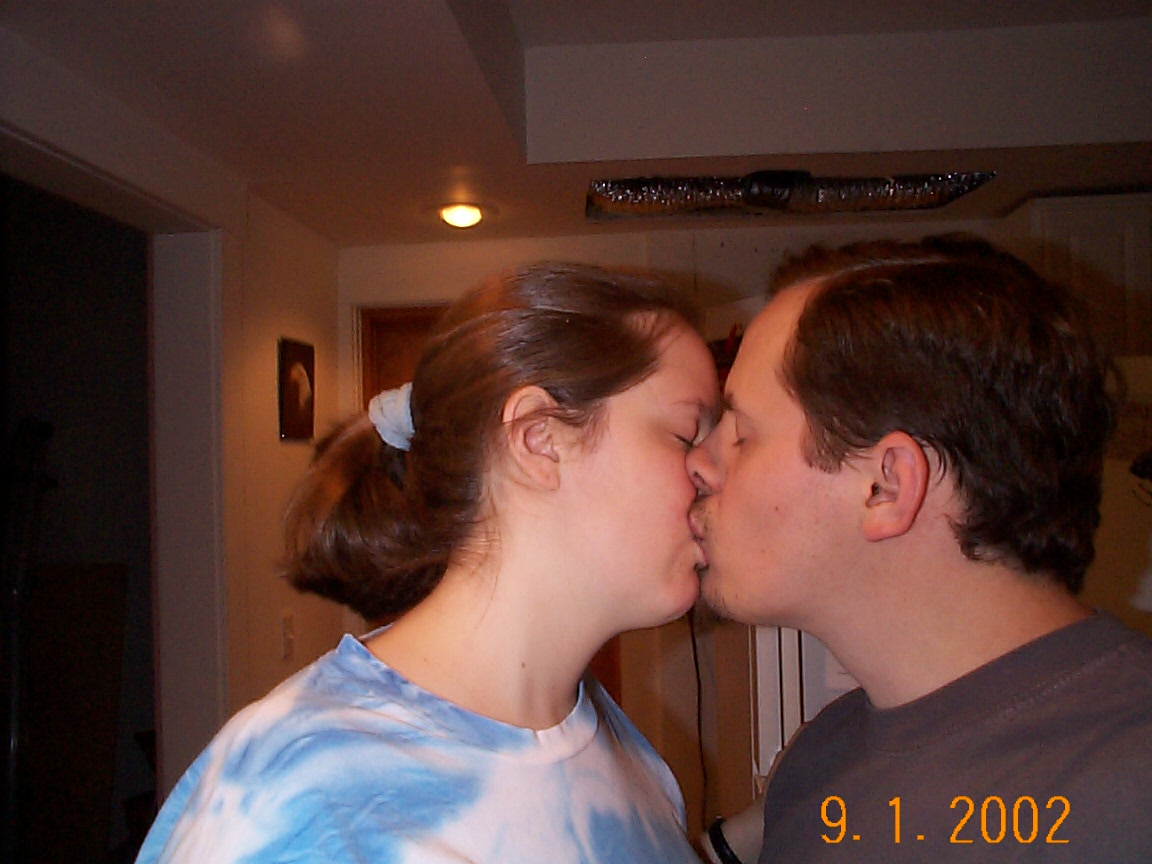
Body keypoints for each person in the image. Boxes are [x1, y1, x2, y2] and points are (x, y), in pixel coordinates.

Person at [136, 262, 718, 863]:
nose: (713, 468)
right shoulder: (298, 800)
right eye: (686, 434)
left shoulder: (614, 744)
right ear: (539, 440)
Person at [688, 235, 1152, 863]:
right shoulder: (820, 759)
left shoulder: (1131, 784)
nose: (698, 463)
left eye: (741, 434)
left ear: (887, 486)